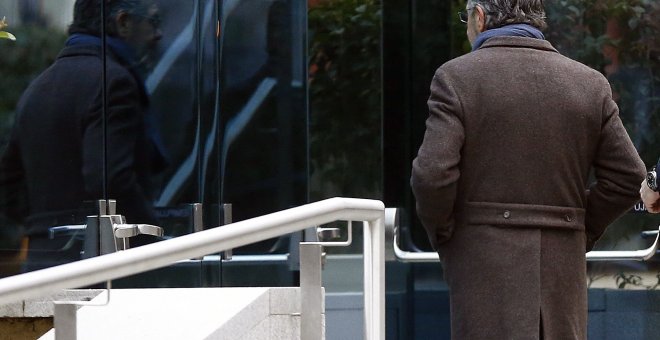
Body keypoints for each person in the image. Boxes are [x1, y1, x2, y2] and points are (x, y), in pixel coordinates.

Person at [410, 0, 645, 339]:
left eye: (466, 18)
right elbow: (628, 178)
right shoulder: (589, 83)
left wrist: (448, 234)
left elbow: (432, 175)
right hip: (562, 271)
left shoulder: (456, 77)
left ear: (479, 17)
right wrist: (575, 227)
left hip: (483, 267)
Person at [0, 0, 166, 271]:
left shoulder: (38, 87)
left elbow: (8, 183)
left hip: (40, 263)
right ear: (123, 22)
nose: (157, 34)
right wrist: (155, 239)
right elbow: (110, 178)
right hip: (99, 267)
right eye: (153, 22)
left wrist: (46, 230)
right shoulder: (115, 81)